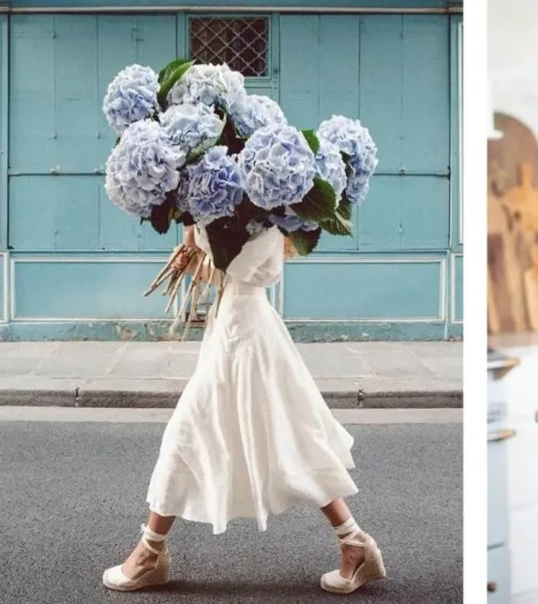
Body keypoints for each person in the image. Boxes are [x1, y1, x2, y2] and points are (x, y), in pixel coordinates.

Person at [102, 224, 386, 594]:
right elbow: (232, 274)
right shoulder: (253, 205)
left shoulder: (264, 210)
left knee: (187, 435)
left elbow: (256, 267)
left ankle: (149, 554)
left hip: (243, 341)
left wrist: (193, 233)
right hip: (236, 329)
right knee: (291, 441)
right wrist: (193, 251)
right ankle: (354, 543)